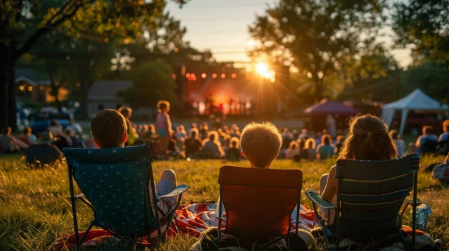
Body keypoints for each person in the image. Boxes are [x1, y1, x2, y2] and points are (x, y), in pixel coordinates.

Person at [90, 109, 177, 217]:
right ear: (125, 137)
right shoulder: (136, 160)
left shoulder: (90, 166)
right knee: (169, 174)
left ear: (95, 142)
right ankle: (171, 218)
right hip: (150, 218)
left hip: (112, 219)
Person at [320, 114, 397, 222]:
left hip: (348, 229)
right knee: (327, 178)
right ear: (386, 141)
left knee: (326, 179)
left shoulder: (339, 170)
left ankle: (322, 223)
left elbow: (325, 201)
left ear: (352, 142)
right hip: (386, 225)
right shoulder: (396, 169)